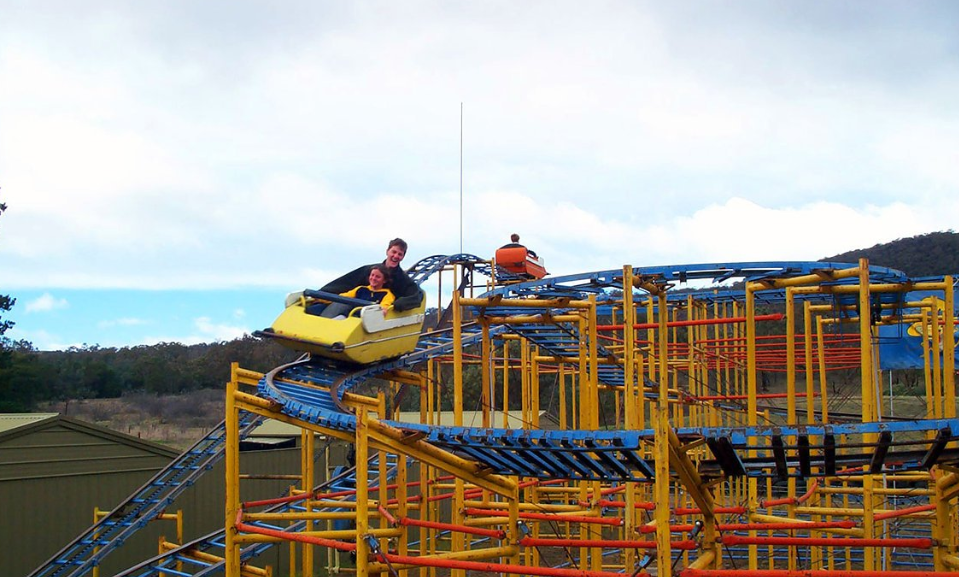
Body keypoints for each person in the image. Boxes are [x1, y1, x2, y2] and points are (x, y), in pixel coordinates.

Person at [319, 238, 424, 312]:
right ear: (387, 251)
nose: (396, 256)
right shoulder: (368, 270)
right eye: (394, 252)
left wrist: (398, 305)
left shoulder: (403, 280)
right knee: (325, 306)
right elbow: (345, 283)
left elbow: (415, 296)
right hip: (355, 307)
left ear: (403, 257)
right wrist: (322, 293)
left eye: (400, 254)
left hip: (375, 314)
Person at [317, 264, 395, 319]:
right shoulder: (360, 289)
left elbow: (384, 306)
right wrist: (320, 299)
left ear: (384, 280)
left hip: (364, 322)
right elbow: (342, 297)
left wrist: (383, 310)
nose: (373, 278)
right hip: (348, 318)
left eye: (377, 277)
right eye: (372, 275)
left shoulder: (387, 294)